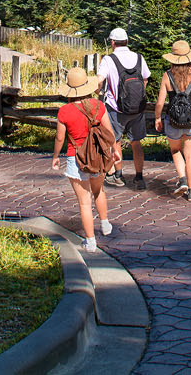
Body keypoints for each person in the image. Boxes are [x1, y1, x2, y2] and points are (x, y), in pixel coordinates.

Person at [51, 66, 115, 251]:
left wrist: (56, 156)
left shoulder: (64, 111)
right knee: (99, 190)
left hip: (75, 157)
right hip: (97, 156)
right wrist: (113, 151)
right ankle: (104, 223)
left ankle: (90, 241)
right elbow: (109, 132)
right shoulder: (98, 106)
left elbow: (60, 138)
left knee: (84, 202)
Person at [154, 39, 191, 201]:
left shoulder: (167, 75)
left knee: (175, 150)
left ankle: (182, 179)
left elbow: (160, 102)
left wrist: (157, 117)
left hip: (172, 120)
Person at [97, 27, 151, 190]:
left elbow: (99, 80)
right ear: (127, 41)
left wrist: (99, 91)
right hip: (137, 109)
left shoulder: (108, 60)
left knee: (116, 141)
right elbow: (145, 79)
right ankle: (139, 177)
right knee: (136, 142)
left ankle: (118, 175)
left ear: (112, 42)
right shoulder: (139, 58)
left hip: (116, 109)